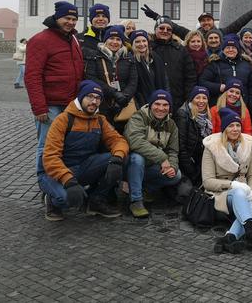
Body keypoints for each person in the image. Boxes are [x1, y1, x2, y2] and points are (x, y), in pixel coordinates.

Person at [39, 80, 129, 221]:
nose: (94, 101)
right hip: (55, 173)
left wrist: (117, 159)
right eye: (90, 97)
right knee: (66, 200)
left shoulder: (100, 120)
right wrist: (68, 181)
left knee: (122, 158)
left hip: (84, 166)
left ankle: (95, 201)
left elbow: (118, 141)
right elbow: (50, 157)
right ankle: (52, 200)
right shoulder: (62, 120)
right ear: (81, 97)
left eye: (98, 98)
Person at [25, 1, 84, 182]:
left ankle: (62, 180)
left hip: (70, 104)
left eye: (74, 19)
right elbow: (32, 76)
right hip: (50, 105)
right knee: (47, 147)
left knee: (66, 146)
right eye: (67, 18)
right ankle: (47, 186)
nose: (71, 22)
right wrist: (39, 108)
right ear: (57, 17)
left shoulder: (72, 39)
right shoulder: (40, 40)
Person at [202, 108, 252, 254]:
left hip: (244, 194)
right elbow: (207, 181)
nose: (235, 129)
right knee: (239, 192)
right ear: (224, 129)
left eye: (238, 125)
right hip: (220, 194)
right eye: (231, 126)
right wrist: (233, 184)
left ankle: (229, 238)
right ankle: (249, 226)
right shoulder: (212, 147)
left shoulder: (248, 145)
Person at [124, 89, 182, 218]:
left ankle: (147, 189)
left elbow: (172, 150)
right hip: (131, 163)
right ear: (151, 105)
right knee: (137, 159)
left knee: (176, 175)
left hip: (152, 165)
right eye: (157, 104)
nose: (161, 108)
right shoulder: (138, 117)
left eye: (165, 105)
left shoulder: (171, 125)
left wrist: (172, 165)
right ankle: (136, 200)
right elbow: (135, 141)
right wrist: (162, 158)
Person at [140, 0, 252, 41]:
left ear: (212, 21)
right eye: (203, 20)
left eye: (208, 20)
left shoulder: (223, 33)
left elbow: (240, 22)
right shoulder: (192, 36)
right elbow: (173, 27)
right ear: (200, 23)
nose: (206, 22)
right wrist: (156, 17)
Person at [83, 25, 137, 128]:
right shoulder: (95, 57)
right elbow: (91, 78)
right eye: (111, 38)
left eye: (118, 39)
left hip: (123, 105)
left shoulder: (129, 59)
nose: (115, 42)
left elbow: (133, 82)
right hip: (101, 103)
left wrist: (124, 97)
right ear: (105, 41)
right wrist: (114, 93)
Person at [199, 33, 252, 114]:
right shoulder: (215, 64)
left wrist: (251, 106)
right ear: (223, 49)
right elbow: (202, 82)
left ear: (238, 50)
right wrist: (218, 87)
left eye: (233, 47)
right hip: (219, 106)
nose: (230, 50)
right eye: (228, 47)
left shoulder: (247, 65)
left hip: (242, 107)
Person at [150, 17, 197, 113]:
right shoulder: (148, 49)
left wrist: (187, 99)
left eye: (169, 29)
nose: (165, 31)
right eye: (161, 28)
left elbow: (190, 76)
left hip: (177, 103)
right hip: (152, 102)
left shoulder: (180, 50)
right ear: (155, 30)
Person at [175, 86, 213, 186]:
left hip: (201, 162)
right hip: (188, 165)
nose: (201, 101)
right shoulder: (183, 114)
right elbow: (180, 147)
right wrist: (193, 173)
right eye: (198, 97)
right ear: (192, 99)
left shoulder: (208, 117)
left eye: (204, 98)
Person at [129, 29, 170, 108]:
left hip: (160, 102)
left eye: (144, 41)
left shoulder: (156, 58)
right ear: (133, 44)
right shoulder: (130, 60)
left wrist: (167, 99)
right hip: (141, 105)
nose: (141, 44)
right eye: (137, 42)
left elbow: (165, 81)